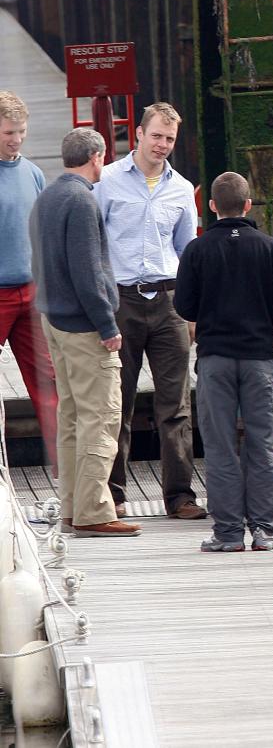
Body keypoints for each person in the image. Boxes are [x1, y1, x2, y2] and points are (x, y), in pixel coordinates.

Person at [95, 102, 205, 520]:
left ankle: (179, 495)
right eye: (157, 136)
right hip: (121, 300)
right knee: (116, 401)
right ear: (138, 134)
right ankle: (114, 493)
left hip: (169, 301)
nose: (162, 145)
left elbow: (187, 252)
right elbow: (95, 245)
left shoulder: (182, 189)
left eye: (170, 139)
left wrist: (191, 311)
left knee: (175, 403)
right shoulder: (105, 182)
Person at [174, 172, 273, 552]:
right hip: (259, 359)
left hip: (215, 360)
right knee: (265, 444)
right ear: (248, 205)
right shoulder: (269, 247)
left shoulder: (197, 250)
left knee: (221, 446)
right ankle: (264, 530)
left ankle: (228, 533)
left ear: (211, 207)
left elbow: (184, 305)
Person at [29, 128, 141, 537]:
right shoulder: (81, 200)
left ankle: (73, 506)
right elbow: (89, 271)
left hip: (53, 319)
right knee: (102, 416)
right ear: (98, 156)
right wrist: (107, 324)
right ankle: (95, 510)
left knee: (73, 416)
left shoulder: (46, 198)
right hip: (82, 325)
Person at [0, 91, 58, 476]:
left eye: (20, 131)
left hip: (31, 292)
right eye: (8, 132)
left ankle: (63, 461)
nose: (16, 139)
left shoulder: (34, 173)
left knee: (48, 380)